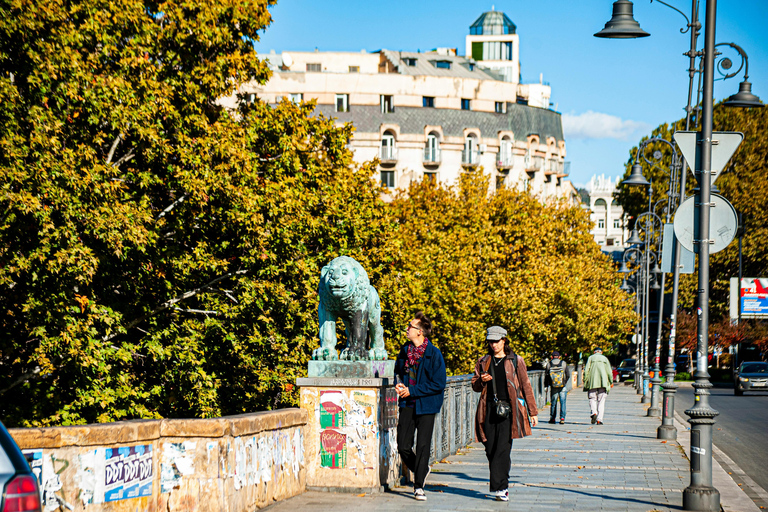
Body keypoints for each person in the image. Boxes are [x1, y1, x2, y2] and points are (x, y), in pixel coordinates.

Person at [471, 326, 539, 502]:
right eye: (490, 342)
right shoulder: (484, 361)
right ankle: (500, 482)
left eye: (496, 341)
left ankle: (501, 487)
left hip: (509, 411)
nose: (493, 345)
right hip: (488, 410)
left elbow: (525, 385)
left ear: (504, 341)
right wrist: (481, 380)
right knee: (490, 448)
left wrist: (533, 411)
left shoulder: (516, 360)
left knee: (502, 448)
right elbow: (475, 386)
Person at [394, 311, 446, 501]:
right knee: (402, 445)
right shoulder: (404, 350)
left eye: (410, 327)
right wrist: (398, 384)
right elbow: (397, 372)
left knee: (423, 446)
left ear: (420, 332)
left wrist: (413, 391)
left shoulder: (434, 354)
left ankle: (418, 487)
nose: (407, 329)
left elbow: (439, 383)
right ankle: (421, 469)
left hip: (427, 405)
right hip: (407, 404)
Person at [583, 347, 613, 425]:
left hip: (592, 382)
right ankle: (599, 419)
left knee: (592, 398)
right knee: (601, 401)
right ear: (601, 352)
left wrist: (585, 379)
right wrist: (611, 381)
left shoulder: (590, 358)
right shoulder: (605, 359)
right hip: (603, 382)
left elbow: (586, 370)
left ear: (594, 352)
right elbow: (609, 372)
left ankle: (594, 412)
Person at [545, 351, 571, 424]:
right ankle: (562, 418)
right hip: (562, 386)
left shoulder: (549, 364)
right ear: (559, 357)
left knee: (553, 403)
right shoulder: (563, 363)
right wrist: (564, 382)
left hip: (553, 386)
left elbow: (546, 377)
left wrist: (546, 386)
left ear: (552, 357)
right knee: (563, 402)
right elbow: (568, 375)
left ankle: (552, 418)